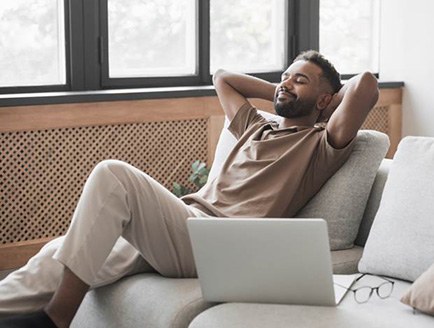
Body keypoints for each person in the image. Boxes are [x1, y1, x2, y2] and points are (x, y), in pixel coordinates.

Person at [0, 51, 378, 327]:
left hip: (218, 242)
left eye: (301, 79)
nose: (286, 82)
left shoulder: (320, 144)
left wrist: (321, 103)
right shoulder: (255, 126)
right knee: (56, 254)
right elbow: (222, 77)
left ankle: (57, 319)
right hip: (184, 225)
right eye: (286, 75)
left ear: (327, 99)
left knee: (113, 174)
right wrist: (284, 90)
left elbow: (365, 85)